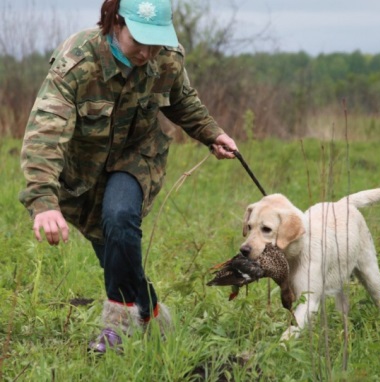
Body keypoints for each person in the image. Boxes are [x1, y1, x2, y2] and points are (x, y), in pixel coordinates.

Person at [19, 0, 238, 353]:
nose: (147, 52)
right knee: (114, 249)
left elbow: (181, 100)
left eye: (156, 41)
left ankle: (115, 330)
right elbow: (45, 133)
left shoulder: (165, 58)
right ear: (115, 23)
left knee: (120, 219)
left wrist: (212, 133)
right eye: (140, 41)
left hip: (138, 155)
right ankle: (152, 315)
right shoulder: (78, 61)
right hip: (84, 168)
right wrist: (44, 200)